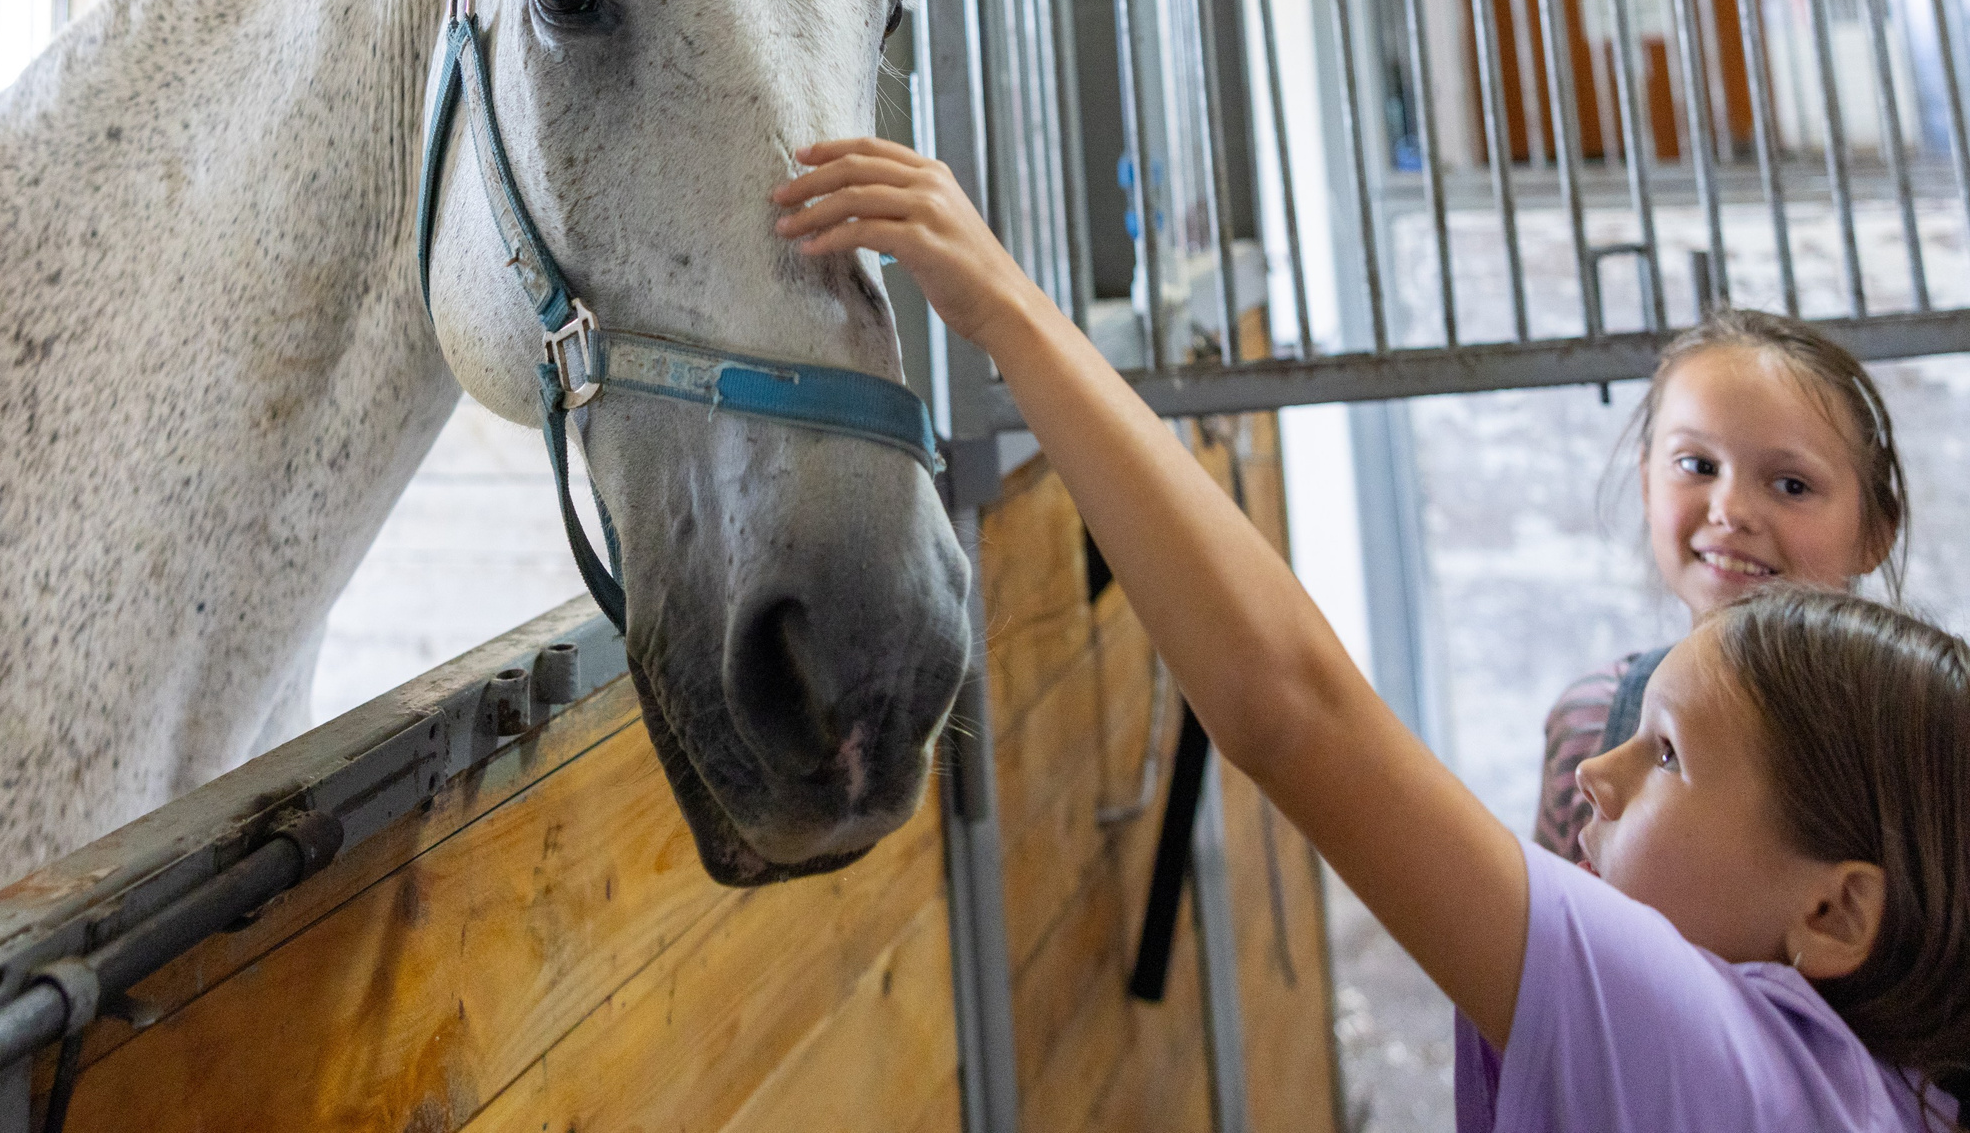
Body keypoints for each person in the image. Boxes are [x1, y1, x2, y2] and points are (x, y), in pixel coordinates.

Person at [771, 138, 1967, 1131]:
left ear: (1836, 913)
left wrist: (1004, 308)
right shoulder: (1878, 1078)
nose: (1599, 774)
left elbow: (1293, 711)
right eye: (1694, 464)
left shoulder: (1725, 1064)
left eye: (1665, 757)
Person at [1535, 311, 1908, 861]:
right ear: (1645, 483)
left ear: (1874, 531)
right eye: (1697, 465)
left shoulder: (1932, 743)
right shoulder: (1591, 723)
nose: (1730, 511)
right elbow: (1550, 938)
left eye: (1791, 484)